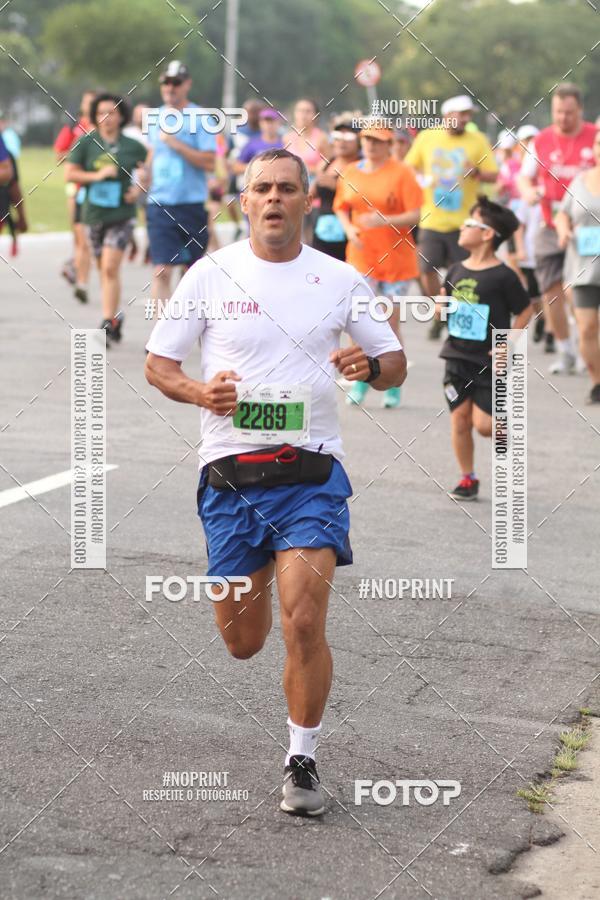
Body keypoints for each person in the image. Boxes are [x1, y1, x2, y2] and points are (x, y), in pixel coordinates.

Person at [144, 148, 406, 816]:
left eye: (287, 189)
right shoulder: (210, 274)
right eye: (262, 189)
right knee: (243, 641)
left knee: (305, 618)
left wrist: (369, 368)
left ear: (306, 201)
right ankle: (284, 708)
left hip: (312, 474)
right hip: (230, 476)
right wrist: (201, 391)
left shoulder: (340, 278)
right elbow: (158, 364)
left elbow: (394, 361)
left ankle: (303, 759)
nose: (274, 200)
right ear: (244, 200)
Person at [436, 196, 532, 501]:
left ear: (487, 234)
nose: (462, 228)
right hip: (456, 357)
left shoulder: (504, 276)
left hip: (489, 361)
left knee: (485, 426)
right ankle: (468, 478)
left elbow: (526, 310)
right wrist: (439, 307)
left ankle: (503, 425)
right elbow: (444, 303)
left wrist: (508, 343)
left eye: (469, 224)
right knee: (460, 420)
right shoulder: (454, 269)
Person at [333, 123, 422, 408]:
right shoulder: (351, 172)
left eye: (378, 141)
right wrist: (349, 230)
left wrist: (386, 220)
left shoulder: (401, 172)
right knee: (358, 323)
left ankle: (394, 381)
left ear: (389, 144)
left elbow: (416, 214)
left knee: (388, 322)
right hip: (361, 258)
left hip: (395, 260)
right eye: (367, 140)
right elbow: (341, 207)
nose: (372, 145)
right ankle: (360, 381)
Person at [518, 83, 596, 374]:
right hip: (550, 225)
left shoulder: (594, 137)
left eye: (569, 112)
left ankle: (589, 337)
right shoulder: (541, 140)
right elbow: (525, 178)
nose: (563, 118)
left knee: (585, 290)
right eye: (558, 112)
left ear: (580, 110)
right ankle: (566, 350)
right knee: (551, 289)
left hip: (589, 228)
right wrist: (527, 192)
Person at [405, 94, 498, 339]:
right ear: (448, 115)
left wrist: (476, 172)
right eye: (462, 115)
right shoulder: (427, 137)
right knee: (426, 269)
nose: (466, 120)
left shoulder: (477, 140)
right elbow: (410, 165)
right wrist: (421, 179)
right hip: (432, 219)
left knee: (465, 275)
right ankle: (441, 312)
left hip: (464, 223)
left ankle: (458, 319)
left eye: (469, 115)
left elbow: (493, 175)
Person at [65, 93, 147, 342]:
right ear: (94, 116)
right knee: (104, 270)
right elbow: (70, 174)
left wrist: (139, 188)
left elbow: (148, 170)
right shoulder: (86, 144)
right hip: (94, 214)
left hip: (122, 214)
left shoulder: (133, 146)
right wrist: (97, 177)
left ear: (121, 116)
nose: (106, 118)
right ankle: (116, 316)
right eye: (101, 113)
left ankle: (106, 320)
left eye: (112, 112)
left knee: (111, 267)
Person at [146, 60, 216, 302]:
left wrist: (176, 143)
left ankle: (193, 332)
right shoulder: (155, 117)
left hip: (191, 205)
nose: (170, 87)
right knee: (161, 271)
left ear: (187, 84)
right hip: (159, 204)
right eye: (166, 82)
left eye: (176, 82)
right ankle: (162, 339)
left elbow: (209, 162)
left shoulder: (201, 118)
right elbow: (153, 154)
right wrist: (141, 180)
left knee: (191, 275)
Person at [555, 128, 600, 403]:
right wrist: (562, 231)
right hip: (584, 268)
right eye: (598, 142)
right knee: (586, 328)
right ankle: (597, 381)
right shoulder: (580, 181)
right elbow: (563, 213)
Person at [54, 90, 96, 300]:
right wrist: (78, 154)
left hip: (99, 190)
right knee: (80, 236)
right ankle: (80, 278)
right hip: (76, 188)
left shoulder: (105, 128)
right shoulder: (74, 126)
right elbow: (59, 156)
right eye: (87, 101)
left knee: (88, 239)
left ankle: (77, 270)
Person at [310, 115, 361, 261]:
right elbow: (311, 193)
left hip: (351, 233)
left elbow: (367, 196)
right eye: (338, 136)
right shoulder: (327, 163)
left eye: (349, 136)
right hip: (323, 230)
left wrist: (337, 186)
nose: (342, 141)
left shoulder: (362, 166)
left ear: (358, 141)